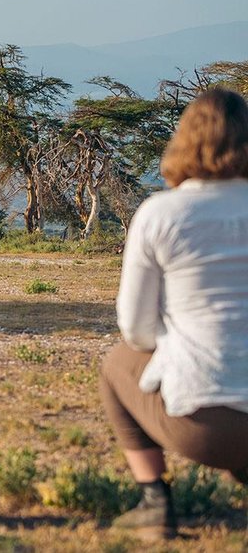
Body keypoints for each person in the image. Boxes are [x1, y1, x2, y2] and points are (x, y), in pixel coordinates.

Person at [101, 88, 248, 541]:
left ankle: (153, 501)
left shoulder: (162, 213)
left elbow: (136, 329)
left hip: (202, 428)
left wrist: (175, 343)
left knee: (115, 364)